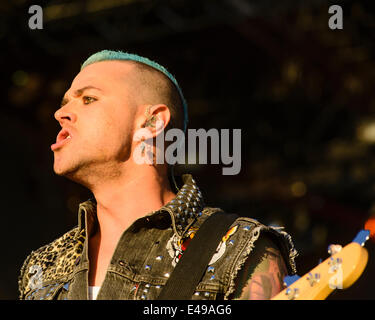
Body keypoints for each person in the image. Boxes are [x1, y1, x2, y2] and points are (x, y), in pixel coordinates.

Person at [18, 50, 297, 300]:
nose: (60, 113)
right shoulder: (43, 267)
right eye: (65, 102)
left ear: (153, 121)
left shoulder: (238, 247)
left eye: (88, 99)